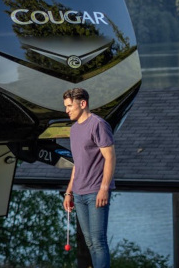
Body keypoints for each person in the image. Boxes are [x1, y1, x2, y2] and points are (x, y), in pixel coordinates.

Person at [61, 87, 116, 268]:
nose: (66, 110)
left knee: (99, 241)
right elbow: (78, 164)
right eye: (66, 106)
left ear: (82, 104)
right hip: (78, 194)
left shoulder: (98, 125)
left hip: (95, 192)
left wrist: (104, 188)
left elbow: (110, 157)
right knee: (90, 242)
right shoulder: (74, 130)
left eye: (70, 106)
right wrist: (69, 193)